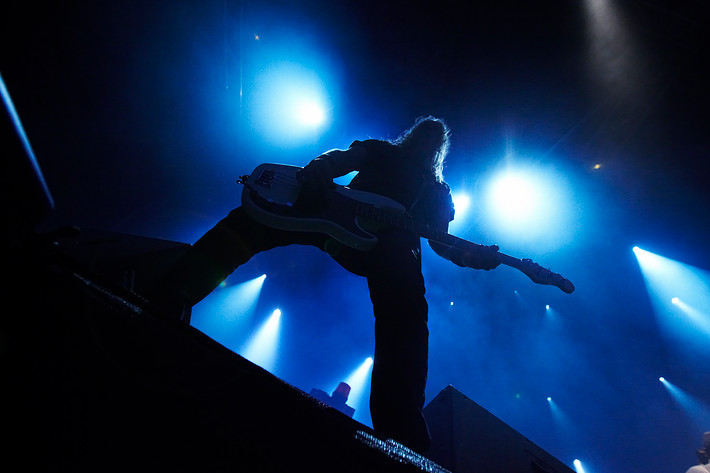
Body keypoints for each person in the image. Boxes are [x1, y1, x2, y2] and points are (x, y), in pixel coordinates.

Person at [147, 116, 500, 453]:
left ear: (439, 150)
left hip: (388, 243)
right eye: (425, 132)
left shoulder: (437, 190)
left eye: (435, 138)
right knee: (251, 222)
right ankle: (170, 292)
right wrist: (319, 170)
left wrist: (472, 257)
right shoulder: (381, 150)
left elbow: (441, 241)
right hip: (334, 216)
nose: (428, 139)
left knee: (407, 309)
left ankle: (400, 429)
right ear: (414, 135)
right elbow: (342, 158)